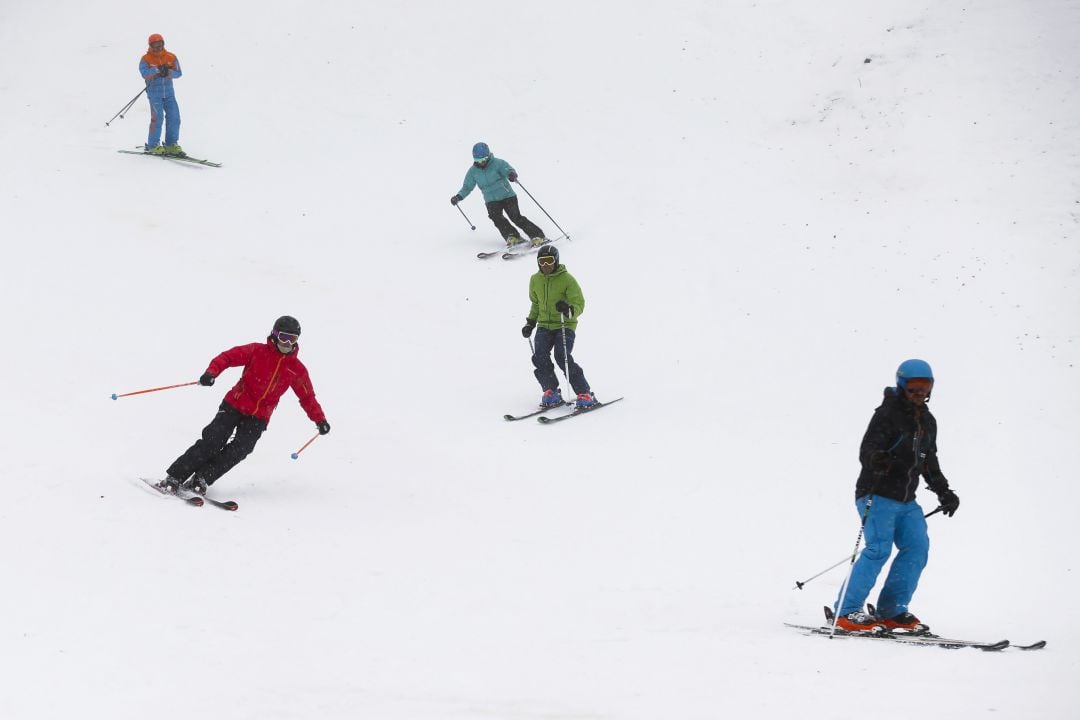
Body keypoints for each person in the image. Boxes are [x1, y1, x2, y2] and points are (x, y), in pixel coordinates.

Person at [834, 359, 961, 632]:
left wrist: (944, 491)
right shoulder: (887, 414)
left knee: (917, 547)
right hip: (876, 493)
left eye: (925, 387)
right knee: (878, 549)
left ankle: (891, 610)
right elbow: (867, 449)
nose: (919, 393)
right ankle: (845, 611)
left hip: (905, 500)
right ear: (902, 386)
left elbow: (929, 461)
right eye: (914, 387)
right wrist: (876, 459)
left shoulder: (927, 421)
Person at [159, 316, 330, 495]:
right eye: (284, 337)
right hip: (235, 404)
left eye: (292, 339)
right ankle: (174, 477)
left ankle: (201, 478)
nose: (287, 343)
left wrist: (320, 420)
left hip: (259, 416)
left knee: (241, 449)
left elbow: (307, 397)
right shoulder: (257, 351)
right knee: (213, 441)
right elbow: (228, 357)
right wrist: (211, 373)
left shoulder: (296, 369)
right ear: (274, 334)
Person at [520, 245, 596, 410]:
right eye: (542, 261)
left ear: (556, 261)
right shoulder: (535, 280)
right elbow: (536, 304)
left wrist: (568, 310)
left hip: (564, 324)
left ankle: (584, 392)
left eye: (549, 261)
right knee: (539, 356)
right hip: (544, 325)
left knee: (562, 356)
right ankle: (551, 391)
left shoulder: (567, 279)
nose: (546, 265)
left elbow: (579, 303)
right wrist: (530, 323)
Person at [451, 142, 546, 248]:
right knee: (496, 218)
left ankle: (538, 236)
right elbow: (467, 187)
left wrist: (511, 174)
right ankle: (513, 236)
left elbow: (508, 170)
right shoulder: (473, 172)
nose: (481, 162)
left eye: (483, 159)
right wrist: (458, 196)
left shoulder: (498, 163)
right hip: (491, 200)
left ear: (488, 156)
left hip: (507, 196)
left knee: (516, 217)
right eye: (478, 160)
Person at [140, 33, 184, 156]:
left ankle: (171, 144)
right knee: (157, 119)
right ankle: (153, 145)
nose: (158, 47)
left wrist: (169, 72)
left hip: (169, 94)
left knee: (174, 118)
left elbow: (179, 73)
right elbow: (144, 73)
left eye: (160, 44)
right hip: (155, 94)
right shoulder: (146, 59)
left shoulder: (171, 57)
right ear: (150, 46)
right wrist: (157, 70)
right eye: (155, 45)